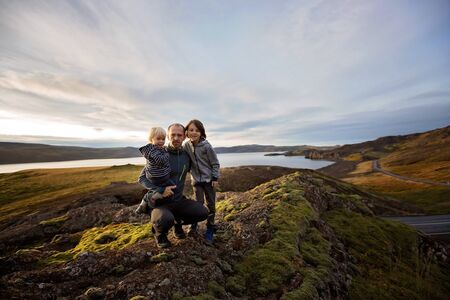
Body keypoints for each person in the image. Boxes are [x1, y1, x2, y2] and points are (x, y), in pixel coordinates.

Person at [138, 123, 209, 249]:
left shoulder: (186, 156)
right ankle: (160, 234)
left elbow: (201, 164)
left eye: (179, 135)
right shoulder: (158, 155)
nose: (176, 138)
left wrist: (213, 177)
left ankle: (178, 224)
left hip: (178, 200)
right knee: (165, 220)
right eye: (173, 135)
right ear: (169, 136)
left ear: (184, 137)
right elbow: (142, 178)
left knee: (202, 212)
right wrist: (160, 190)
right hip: (160, 202)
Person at [183, 119, 220, 243]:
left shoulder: (207, 146)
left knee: (211, 205)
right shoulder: (186, 145)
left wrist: (215, 178)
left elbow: (215, 163)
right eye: (191, 130)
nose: (194, 133)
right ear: (186, 132)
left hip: (209, 181)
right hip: (196, 181)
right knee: (198, 204)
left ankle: (210, 227)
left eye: (197, 131)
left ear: (201, 132)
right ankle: (194, 225)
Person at [135, 127, 174, 214]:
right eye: (158, 139)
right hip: (157, 177)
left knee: (160, 189)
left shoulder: (156, 149)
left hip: (158, 176)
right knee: (168, 188)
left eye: (163, 139)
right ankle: (150, 199)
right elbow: (160, 160)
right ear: (151, 139)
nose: (161, 141)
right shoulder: (152, 151)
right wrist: (167, 152)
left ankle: (143, 203)